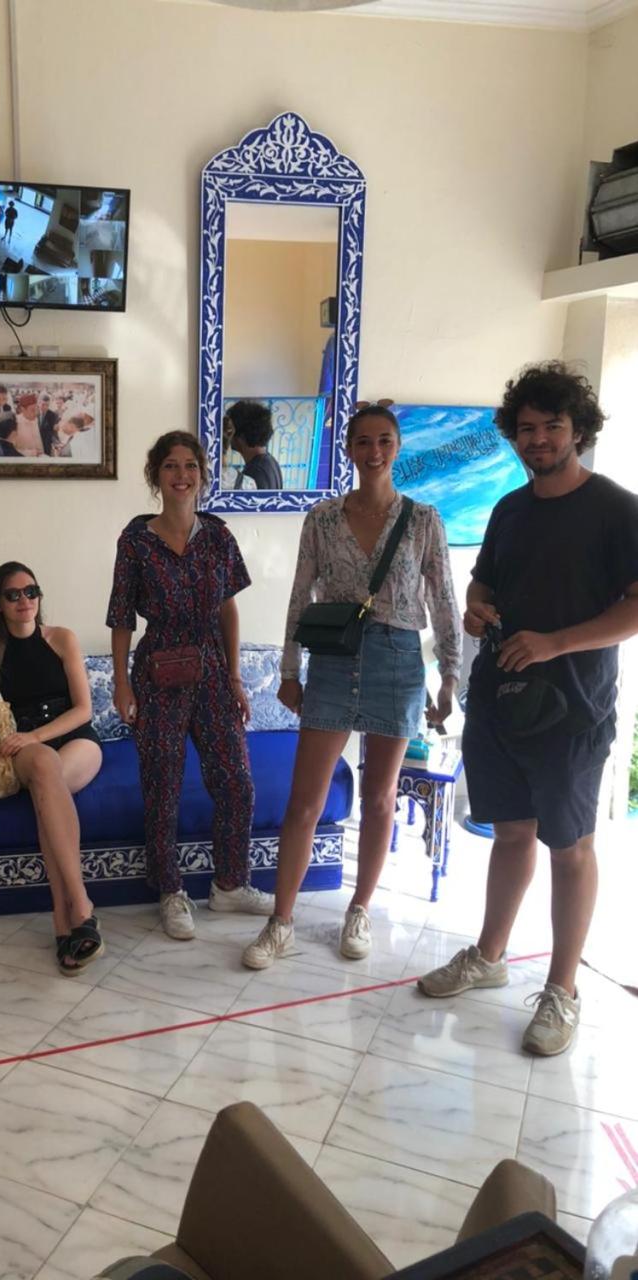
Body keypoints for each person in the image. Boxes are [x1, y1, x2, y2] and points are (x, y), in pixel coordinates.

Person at [418, 361, 638, 1055]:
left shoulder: (618, 510)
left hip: (573, 706)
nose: (537, 439)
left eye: (552, 426)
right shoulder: (510, 508)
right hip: (500, 700)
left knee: (569, 847)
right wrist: (476, 609)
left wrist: (555, 642)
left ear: (579, 430)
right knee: (511, 832)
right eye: (526, 428)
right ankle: (489, 956)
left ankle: (562, 991)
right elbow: (483, 582)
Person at [242, 403, 462, 970]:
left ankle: (359, 909)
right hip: (335, 661)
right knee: (305, 800)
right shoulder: (322, 519)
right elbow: (299, 594)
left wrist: (450, 675)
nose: (374, 451)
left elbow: (444, 599)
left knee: (380, 795)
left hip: (398, 660)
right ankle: (281, 921)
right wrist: (288, 670)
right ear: (348, 449)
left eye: (384, 440)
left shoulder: (423, 520)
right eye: (363, 441)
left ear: (397, 446)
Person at [106, 431, 275, 940]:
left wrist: (236, 676)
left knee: (236, 780)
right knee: (162, 784)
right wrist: (121, 684)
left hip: (213, 670)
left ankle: (230, 884)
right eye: (170, 466)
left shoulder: (218, 536)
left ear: (202, 475)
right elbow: (121, 618)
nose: (181, 475)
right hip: (158, 671)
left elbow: (228, 608)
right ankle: (170, 891)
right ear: (155, 476)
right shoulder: (136, 541)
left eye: (190, 466)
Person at [0, 562, 105, 974]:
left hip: (74, 737)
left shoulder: (61, 639)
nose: (24, 600)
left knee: (49, 791)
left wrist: (36, 736)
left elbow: (83, 709)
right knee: (45, 769)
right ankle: (82, 906)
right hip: (23, 744)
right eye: (13, 595)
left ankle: (64, 916)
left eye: (31, 591)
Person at [225, 400, 283, 490]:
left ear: (241, 436)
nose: (227, 436)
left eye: (230, 431)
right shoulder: (270, 462)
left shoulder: (255, 472)